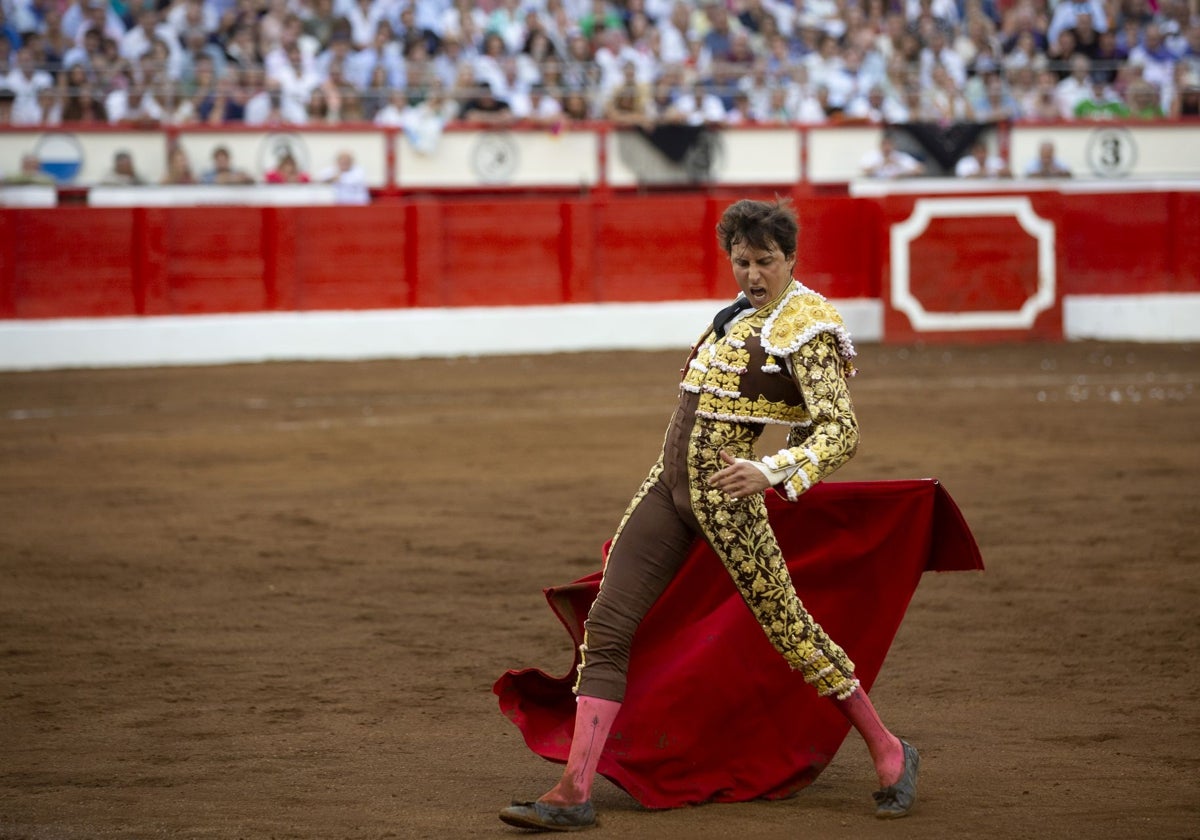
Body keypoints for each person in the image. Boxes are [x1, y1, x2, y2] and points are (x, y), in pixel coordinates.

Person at [499, 198, 920, 832]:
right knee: (608, 629)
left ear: (791, 259)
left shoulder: (807, 323)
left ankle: (889, 749)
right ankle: (574, 789)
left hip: (729, 498)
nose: (753, 275)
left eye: (766, 262)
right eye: (743, 261)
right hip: (665, 491)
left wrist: (772, 470)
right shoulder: (731, 317)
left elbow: (841, 430)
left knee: (792, 633)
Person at [860, 133, 925, 178]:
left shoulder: (900, 157)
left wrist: (901, 169)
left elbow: (920, 170)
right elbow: (865, 171)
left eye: (889, 144)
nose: (887, 147)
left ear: (893, 145)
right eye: (884, 144)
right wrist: (882, 164)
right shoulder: (871, 156)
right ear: (880, 145)